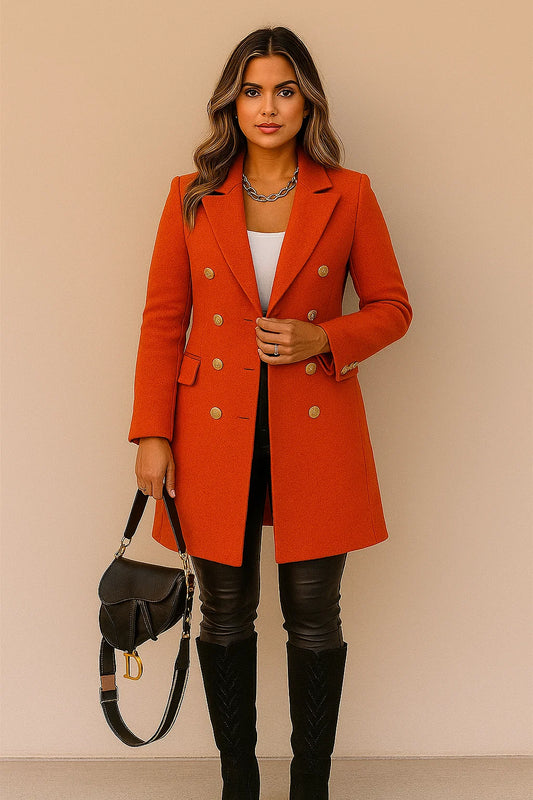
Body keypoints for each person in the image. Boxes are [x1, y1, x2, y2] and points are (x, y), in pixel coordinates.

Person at [129, 26, 412, 800]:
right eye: (251, 91)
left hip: (313, 427)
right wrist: (152, 432)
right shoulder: (190, 195)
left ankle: (310, 787)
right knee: (224, 611)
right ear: (231, 103)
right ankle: (238, 786)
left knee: (313, 611)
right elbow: (163, 322)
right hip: (210, 431)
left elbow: (392, 307)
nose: (267, 106)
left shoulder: (348, 193)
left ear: (306, 102)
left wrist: (326, 336)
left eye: (284, 90)